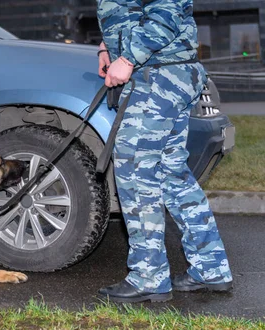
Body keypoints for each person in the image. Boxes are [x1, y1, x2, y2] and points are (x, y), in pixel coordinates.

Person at [95, 0, 233, 303]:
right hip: (165, 75)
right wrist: (106, 49)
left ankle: (149, 275)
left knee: (135, 173)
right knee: (172, 176)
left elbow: (166, 12)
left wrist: (128, 59)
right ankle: (210, 267)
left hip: (157, 77)